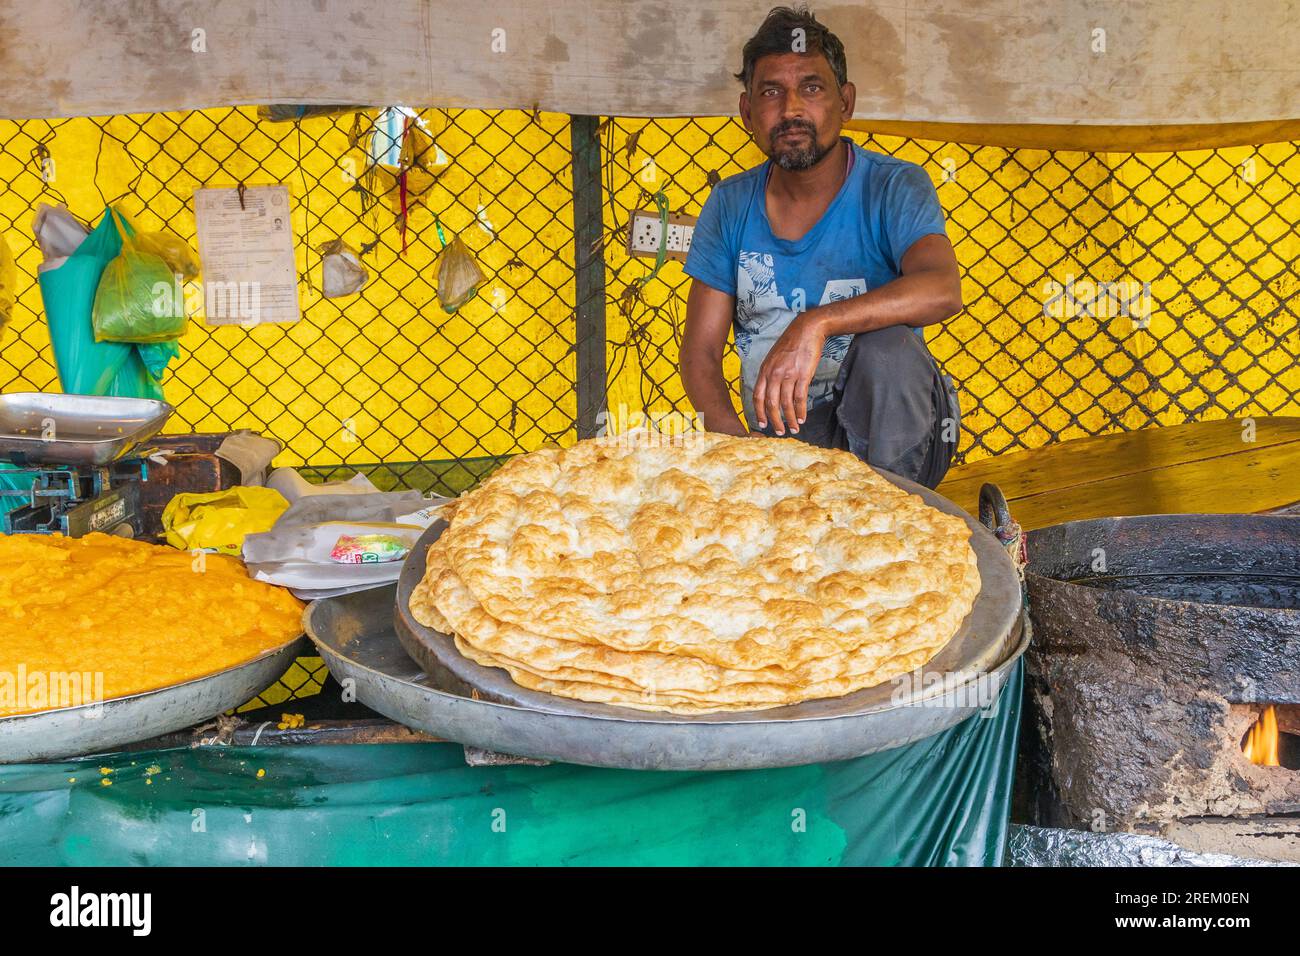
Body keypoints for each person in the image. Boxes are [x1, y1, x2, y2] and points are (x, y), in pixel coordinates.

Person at [681, 5, 964, 488]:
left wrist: (817, 323)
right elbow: (700, 352)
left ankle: (891, 513)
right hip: (784, 443)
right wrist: (735, 449)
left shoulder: (894, 186)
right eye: (771, 92)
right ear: (748, 111)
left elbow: (943, 290)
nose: (791, 109)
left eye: (811, 88)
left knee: (889, 348)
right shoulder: (730, 204)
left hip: (896, 435)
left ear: (845, 103)